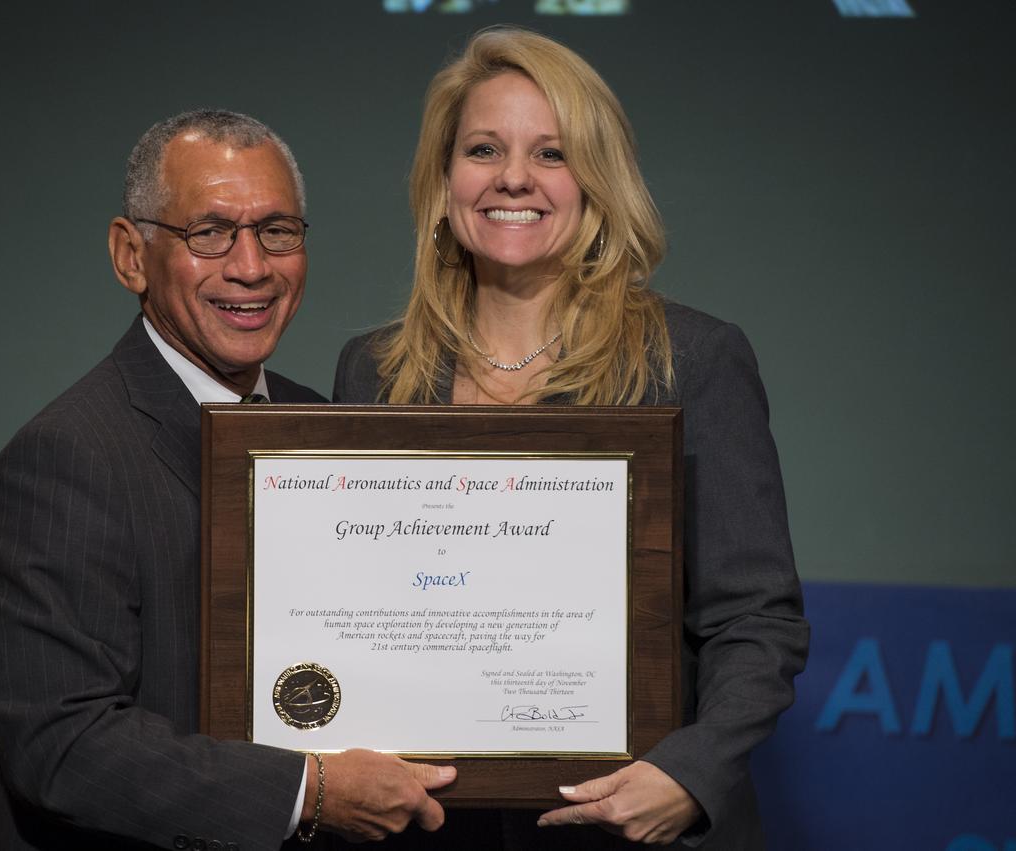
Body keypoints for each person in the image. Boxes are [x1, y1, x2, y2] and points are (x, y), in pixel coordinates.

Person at [332, 29, 808, 849]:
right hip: (432, 827)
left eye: (550, 153)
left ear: (597, 179)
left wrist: (687, 773)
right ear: (444, 180)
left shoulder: (690, 358)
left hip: (630, 825)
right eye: (483, 149)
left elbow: (755, 620)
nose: (512, 177)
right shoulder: (373, 371)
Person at [0, 110, 456, 851]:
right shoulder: (62, 459)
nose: (251, 266)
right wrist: (308, 791)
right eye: (210, 232)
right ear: (130, 255)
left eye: (277, 230)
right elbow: (62, 746)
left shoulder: (321, 427)